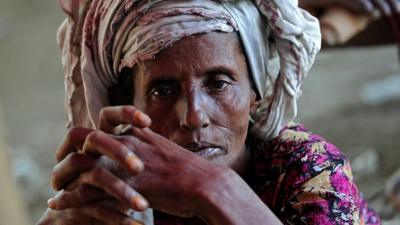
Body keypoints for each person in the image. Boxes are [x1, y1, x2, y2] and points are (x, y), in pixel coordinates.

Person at [37, 0, 381, 224]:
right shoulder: (119, 195)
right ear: (128, 108)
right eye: (162, 90)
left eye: (218, 83)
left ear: (255, 94)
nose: (194, 116)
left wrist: (215, 189)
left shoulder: (308, 166)